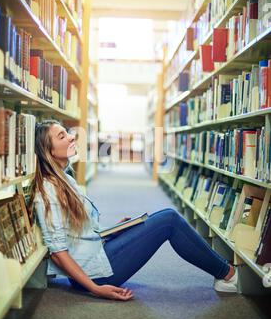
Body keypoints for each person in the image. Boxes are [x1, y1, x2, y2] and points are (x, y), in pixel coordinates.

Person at [28, 120, 238, 302]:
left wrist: (114, 230)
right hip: (95, 274)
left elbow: (78, 234)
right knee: (169, 220)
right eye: (62, 136)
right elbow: (58, 254)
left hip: (97, 255)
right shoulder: (48, 192)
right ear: (50, 151)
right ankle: (228, 275)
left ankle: (224, 270)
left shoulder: (64, 180)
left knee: (157, 219)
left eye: (68, 132)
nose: (72, 137)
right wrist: (96, 289)